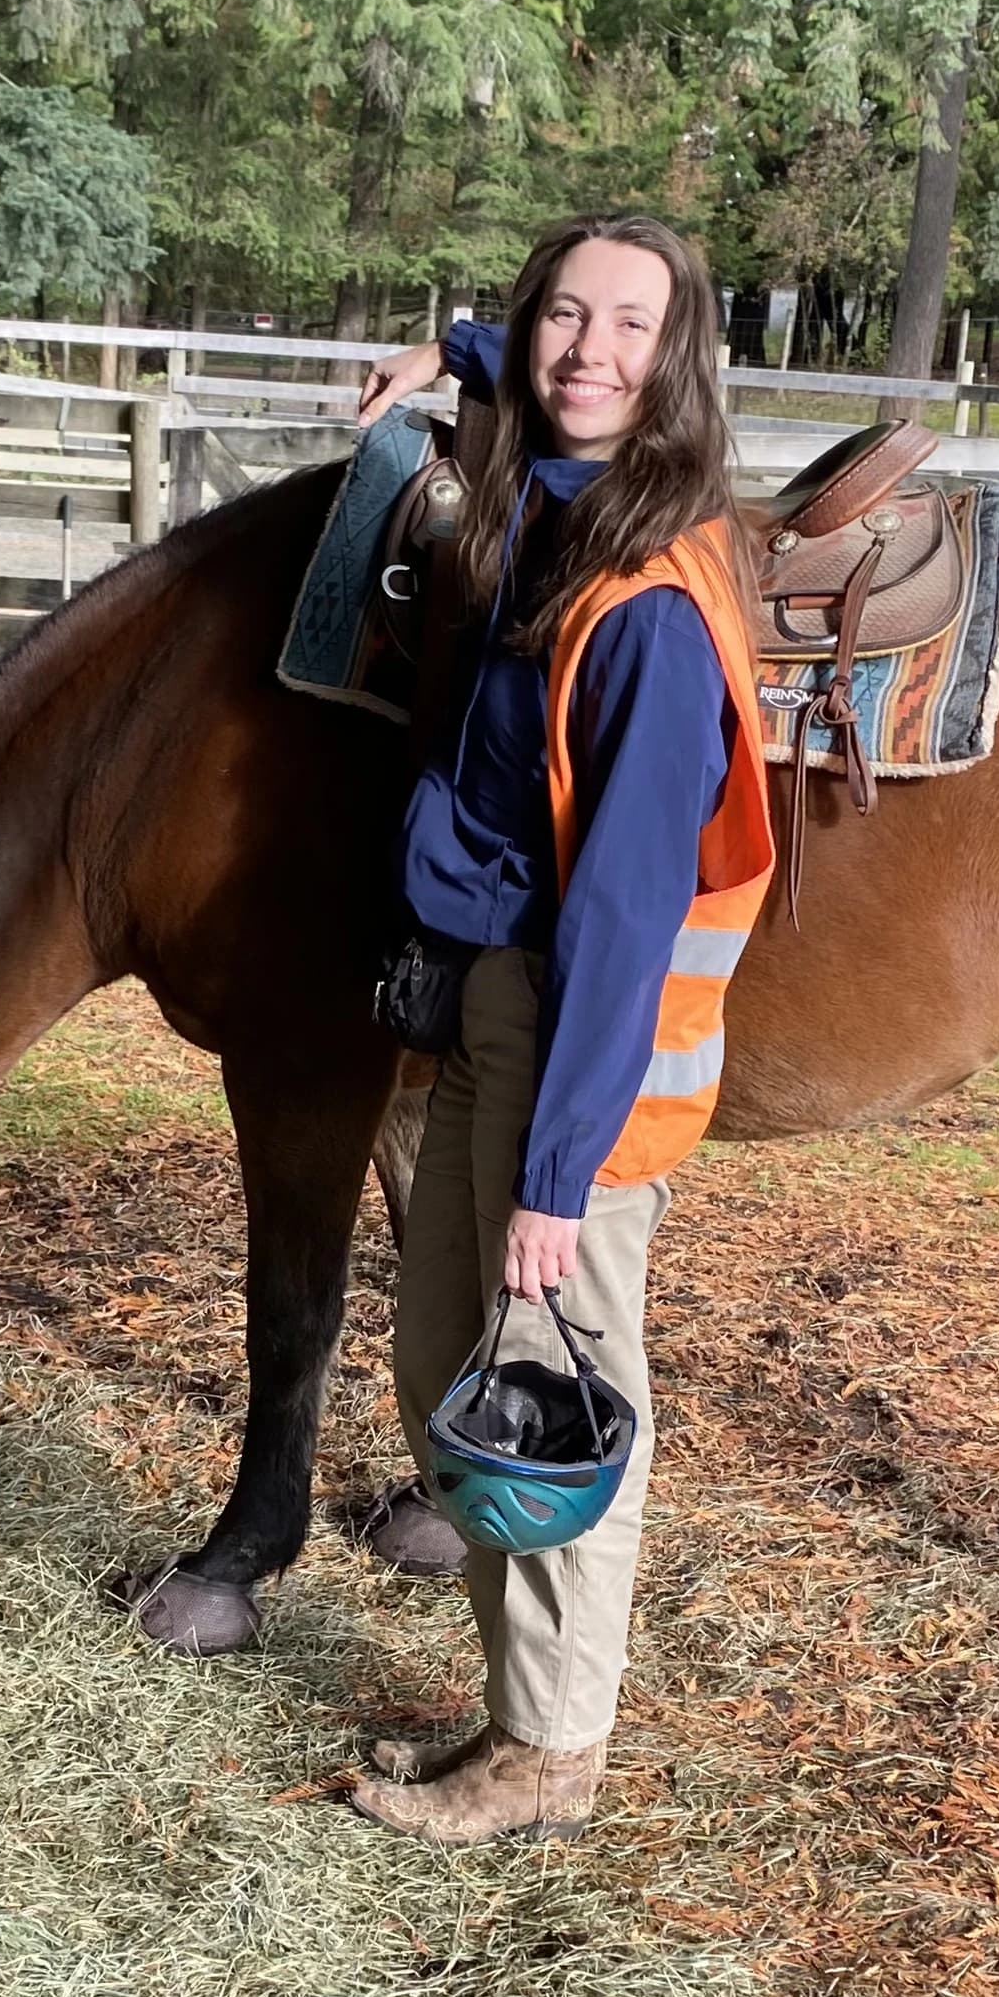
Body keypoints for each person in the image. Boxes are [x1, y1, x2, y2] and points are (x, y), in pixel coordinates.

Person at [346, 212, 775, 1845]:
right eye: (561, 318)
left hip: (572, 1039)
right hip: (493, 1003)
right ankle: (514, 1707)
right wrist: (454, 351)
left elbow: (625, 914)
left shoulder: (646, 606)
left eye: (629, 327)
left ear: (679, 360)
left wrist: (559, 1173)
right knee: (446, 1362)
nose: (590, 351)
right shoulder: (551, 499)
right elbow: (544, 372)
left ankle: (551, 1750)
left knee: (552, 1388)